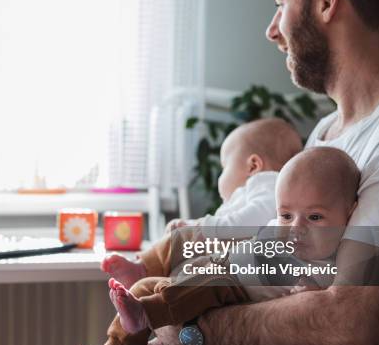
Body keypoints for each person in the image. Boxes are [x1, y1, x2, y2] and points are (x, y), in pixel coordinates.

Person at [1, 0, 379, 345]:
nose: (272, 29)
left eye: (281, 3)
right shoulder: (328, 131)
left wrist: (186, 327)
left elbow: (348, 325)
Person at [71, 147, 360, 345]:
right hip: (219, 293)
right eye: (286, 215)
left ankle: (150, 324)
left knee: (209, 281)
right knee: (146, 288)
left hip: (239, 318)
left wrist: (306, 293)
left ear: (349, 213)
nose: (296, 227)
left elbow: (316, 302)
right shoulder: (278, 231)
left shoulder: (329, 262)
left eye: (315, 218)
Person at [101, 117, 303, 288]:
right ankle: (146, 276)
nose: (221, 176)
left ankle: (143, 268)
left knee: (181, 238)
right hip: (228, 256)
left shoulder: (269, 184)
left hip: (238, 260)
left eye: (224, 167)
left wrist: (198, 226)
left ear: (253, 165)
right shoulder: (254, 190)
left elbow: (248, 221)